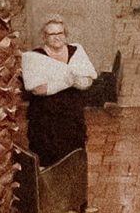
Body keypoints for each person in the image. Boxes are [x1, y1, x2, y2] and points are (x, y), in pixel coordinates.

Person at [21, 15, 98, 166]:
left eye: (60, 33)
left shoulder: (76, 51)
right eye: (52, 34)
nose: (57, 37)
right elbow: (36, 89)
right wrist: (66, 81)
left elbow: (88, 79)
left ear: (65, 34)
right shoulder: (34, 57)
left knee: (73, 156)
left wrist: (77, 81)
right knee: (48, 157)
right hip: (45, 118)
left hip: (71, 115)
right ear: (44, 37)